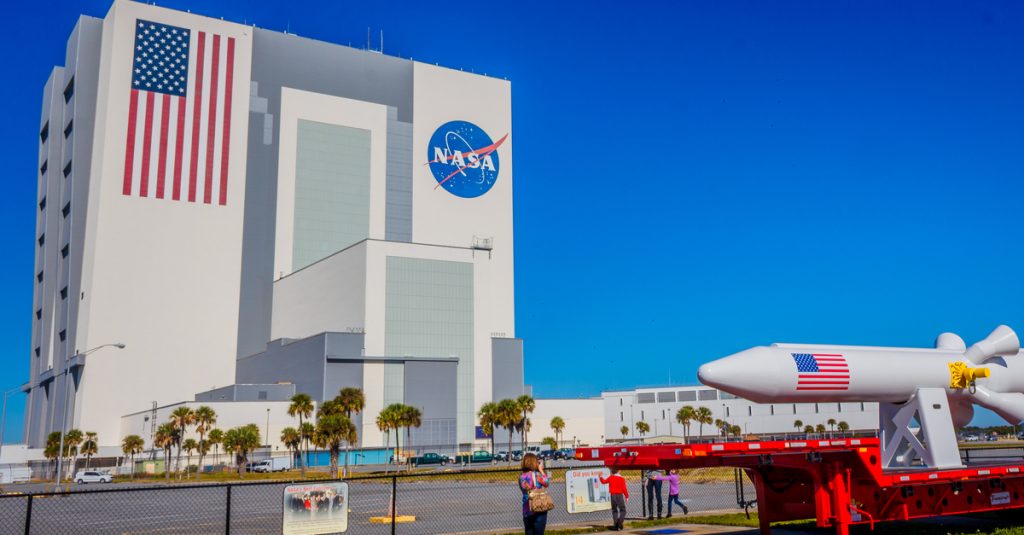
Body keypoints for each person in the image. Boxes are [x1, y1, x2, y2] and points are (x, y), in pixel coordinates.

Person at [519, 452, 551, 534]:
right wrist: (541, 470)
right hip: (538, 508)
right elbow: (546, 483)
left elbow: (524, 490)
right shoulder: (537, 475)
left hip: (527, 509)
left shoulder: (521, 477)